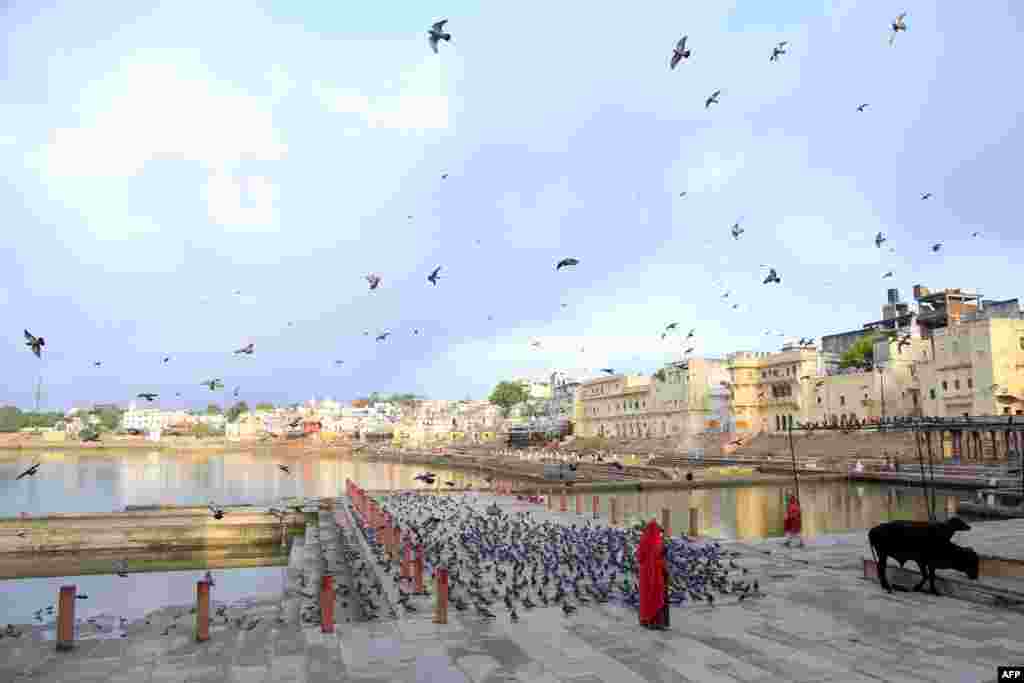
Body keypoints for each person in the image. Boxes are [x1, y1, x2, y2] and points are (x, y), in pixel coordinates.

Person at [636, 520, 670, 630]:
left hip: (645, 575)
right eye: (659, 531)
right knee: (656, 597)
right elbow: (659, 559)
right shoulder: (657, 542)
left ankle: (646, 620)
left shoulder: (643, 540)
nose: (660, 534)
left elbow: (639, 557)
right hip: (655, 575)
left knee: (646, 597)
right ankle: (656, 622)